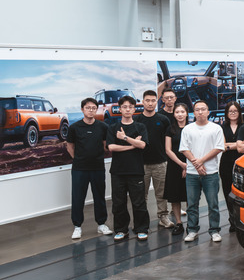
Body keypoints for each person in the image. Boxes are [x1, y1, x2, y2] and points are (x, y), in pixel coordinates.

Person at [180, 101, 226, 243]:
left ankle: (214, 230)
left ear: (208, 111)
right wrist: (196, 163)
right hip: (192, 174)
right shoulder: (187, 129)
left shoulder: (216, 128)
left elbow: (218, 147)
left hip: (211, 172)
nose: (200, 112)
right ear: (194, 112)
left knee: (213, 204)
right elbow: (184, 148)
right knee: (192, 204)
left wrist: (201, 161)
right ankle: (192, 230)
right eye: (197, 110)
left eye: (203, 109)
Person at [66, 97, 112, 239]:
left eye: (93, 108)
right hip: (79, 169)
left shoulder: (102, 127)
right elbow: (70, 147)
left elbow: (105, 145)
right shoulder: (74, 127)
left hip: (98, 167)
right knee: (78, 197)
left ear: (96, 109)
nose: (91, 110)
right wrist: (79, 159)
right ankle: (77, 226)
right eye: (88, 108)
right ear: (82, 109)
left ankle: (101, 225)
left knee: (99, 197)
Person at [107, 95, 149, 242]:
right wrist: (133, 145)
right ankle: (121, 230)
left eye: (130, 107)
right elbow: (111, 147)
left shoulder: (140, 127)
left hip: (136, 170)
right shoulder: (113, 128)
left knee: (138, 202)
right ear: (120, 109)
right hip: (118, 171)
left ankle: (141, 229)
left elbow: (143, 145)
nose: (127, 109)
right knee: (118, 203)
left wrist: (124, 138)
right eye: (124, 107)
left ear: (134, 109)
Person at [135, 90, 172, 229]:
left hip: (160, 163)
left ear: (157, 102)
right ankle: (142, 220)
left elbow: (168, 142)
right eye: (147, 100)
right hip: (141, 164)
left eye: (153, 100)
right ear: (143, 102)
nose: (150, 103)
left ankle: (163, 217)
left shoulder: (163, 120)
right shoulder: (137, 120)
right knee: (141, 195)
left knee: (161, 193)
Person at [164, 103, 189, 235]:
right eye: (177, 112)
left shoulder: (192, 128)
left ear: (187, 113)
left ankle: (192, 223)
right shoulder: (170, 129)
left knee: (190, 196)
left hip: (191, 165)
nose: (180, 114)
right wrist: (181, 164)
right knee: (175, 196)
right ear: (174, 114)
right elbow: (168, 150)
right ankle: (179, 223)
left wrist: (187, 165)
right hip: (174, 166)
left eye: (182, 112)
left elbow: (194, 148)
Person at [220, 101, 244, 233]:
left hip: (241, 163)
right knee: (227, 192)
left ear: (239, 112)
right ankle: (232, 220)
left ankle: (240, 219)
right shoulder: (222, 127)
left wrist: (231, 146)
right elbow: (222, 147)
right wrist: (238, 145)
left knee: (240, 193)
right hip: (225, 164)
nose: (233, 113)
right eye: (230, 111)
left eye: (235, 111)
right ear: (227, 113)